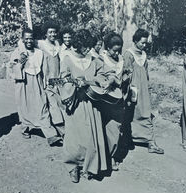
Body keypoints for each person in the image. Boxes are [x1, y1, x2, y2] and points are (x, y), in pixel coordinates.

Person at [59, 29, 107, 183]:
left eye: (88, 46)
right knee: (74, 138)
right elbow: (63, 80)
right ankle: (73, 167)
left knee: (92, 136)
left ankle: (90, 166)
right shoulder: (67, 59)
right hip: (76, 102)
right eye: (84, 47)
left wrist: (89, 81)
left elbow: (103, 75)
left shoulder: (93, 59)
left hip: (92, 102)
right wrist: (72, 86)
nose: (87, 49)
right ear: (77, 45)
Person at [9, 28, 61, 146]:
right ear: (22, 39)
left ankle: (51, 135)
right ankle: (25, 128)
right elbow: (12, 69)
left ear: (34, 39)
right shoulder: (17, 53)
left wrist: (45, 82)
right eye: (26, 38)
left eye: (31, 38)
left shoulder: (39, 53)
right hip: (23, 83)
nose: (28, 41)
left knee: (42, 106)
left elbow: (44, 70)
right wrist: (20, 64)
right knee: (25, 107)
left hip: (37, 81)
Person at [122, 28, 164, 154]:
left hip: (143, 89)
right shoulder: (128, 54)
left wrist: (146, 86)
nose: (144, 45)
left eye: (146, 43)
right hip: (132, 89)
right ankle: (129, 139)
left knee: (146, 112)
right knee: (131, 114)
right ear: (135, 41)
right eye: (142, 43)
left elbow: (145, 72)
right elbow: (125, 74)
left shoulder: (144, 54)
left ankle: (151, 142)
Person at [95, 32, 125, 171]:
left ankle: (111, 156)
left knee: (115, 127)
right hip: (102, 99)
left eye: (119, 50)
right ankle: (102, 158)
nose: (116, 53)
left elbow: (123, 76)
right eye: (114, 50)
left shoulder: (121, 60)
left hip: (117, 98)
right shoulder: (100, 59)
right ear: (107, 47)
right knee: (100, 127)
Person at [37, 21, 64, 141]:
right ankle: (59, 132)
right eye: (50, 32)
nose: (53, 34)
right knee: (52, 106)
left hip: (58, 79)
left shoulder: (58, 44)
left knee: (60, 104)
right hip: (47, 79)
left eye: (54, 32)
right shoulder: (41, 44)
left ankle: (60, 130)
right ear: (46, 33)